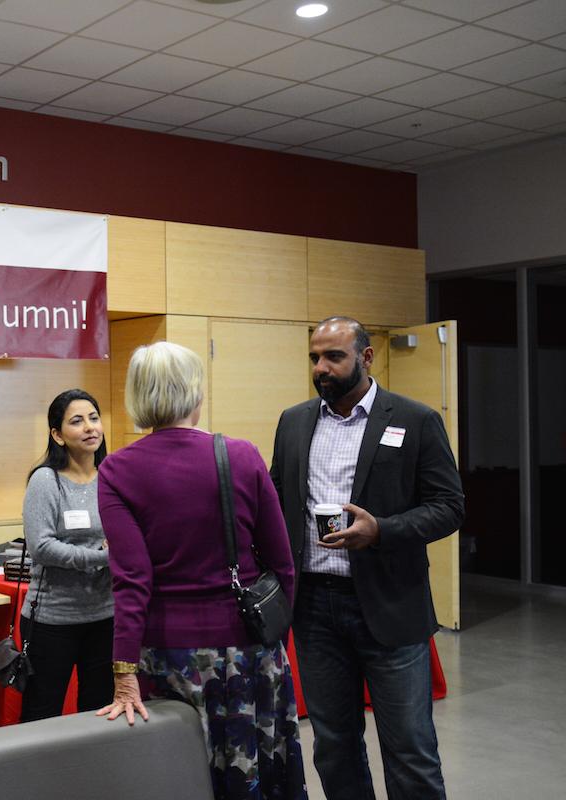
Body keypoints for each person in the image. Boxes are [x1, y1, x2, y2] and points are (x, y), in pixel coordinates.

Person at [98, 341, 306, 800]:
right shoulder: (242, 455)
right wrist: (273, 640)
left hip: (170, 657)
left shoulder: (117, 470)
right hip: (250, 651)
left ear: (138, 396)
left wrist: (123, 671)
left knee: (180, 776)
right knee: (255, 774)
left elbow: (131, 581)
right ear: (196, 392)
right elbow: (282, 561)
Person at [269, 316, 464, 800]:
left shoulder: (415, 420)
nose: (321, 368)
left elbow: (448, 506)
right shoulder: (294, 421)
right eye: (315, 357)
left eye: (334, 356)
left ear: (366, 357)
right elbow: (276, 498)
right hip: (314, 609)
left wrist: (383, 531)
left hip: (390, 604)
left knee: (410, 749)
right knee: (333, 746)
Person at [18, 389, 113, 722]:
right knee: (42, 714)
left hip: (105, 615)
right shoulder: (46, 480)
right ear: (57, 435)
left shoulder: (113, 477)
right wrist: (102, 557)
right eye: (77, 421)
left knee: (99, 711)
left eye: (94, 418)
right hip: (52, 619)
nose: (89, 427)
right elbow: (41, 547)